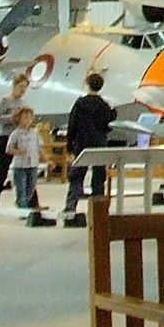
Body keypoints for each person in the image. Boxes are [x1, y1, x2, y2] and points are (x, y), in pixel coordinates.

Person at [62, 73, 116, 228]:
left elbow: (72, 124)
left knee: (77, 176)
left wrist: (69, 144)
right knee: (99, 178)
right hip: (99, 142)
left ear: (87, 84)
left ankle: (70, 209)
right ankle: (99, 213)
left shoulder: (80, 104)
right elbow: (109, 123)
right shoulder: (104, 105)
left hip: (82, 142)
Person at [0, 74, 31, 207]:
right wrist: (11, 118)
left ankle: (28, 200)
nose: (22, 90)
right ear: (15, 86)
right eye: (21, 87)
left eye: (25, 88)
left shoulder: (23, 103)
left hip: (20, 137)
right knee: (2, 169)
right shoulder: (5, 101)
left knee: (26, 167)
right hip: (6, 137)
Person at [4, 107, 52, 226]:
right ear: (18, 119)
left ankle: (23, 202)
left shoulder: (34, 134)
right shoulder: (15, 134)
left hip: (33, 164)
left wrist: (47, 160)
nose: (27, 120)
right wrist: (18, 151)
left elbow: (39, 148)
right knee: (22, 187)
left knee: (31, 187)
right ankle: (23, 209)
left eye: (29, 117)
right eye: (24, 117)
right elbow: (8, 149)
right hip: (20, 165)